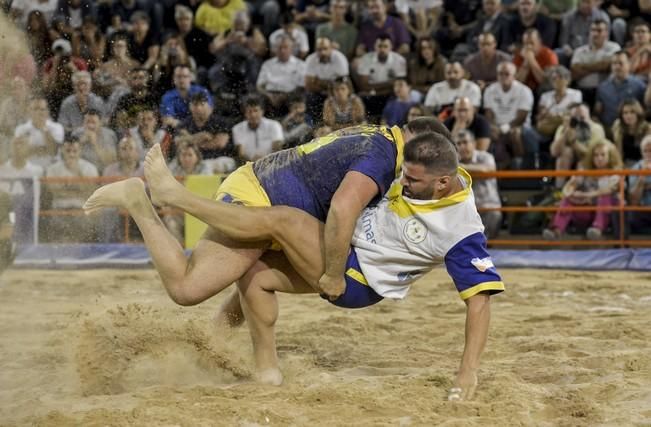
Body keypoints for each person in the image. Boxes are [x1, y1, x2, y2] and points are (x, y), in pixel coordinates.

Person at [85, 120, 503, 401]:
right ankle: (266, 371)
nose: (404, 184)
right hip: (333, 244)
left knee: (277, 225)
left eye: (413, 181)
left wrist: (468, 371)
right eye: (404, 175)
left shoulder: (462, 226)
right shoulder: (404, 161)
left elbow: (480, 301)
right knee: (247, 275)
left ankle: (172, 197)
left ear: (443, 181)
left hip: (354, 275)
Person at [543, 140, 623, 240]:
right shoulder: (585, 172)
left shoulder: (615, 174)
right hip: (587, 211)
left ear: (610, 156)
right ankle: (556, 230)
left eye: (603, 155)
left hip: (607, 214)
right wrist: (571, 192)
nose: (599, 158)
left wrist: (585, 196)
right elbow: (568, 188)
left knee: (604, 198)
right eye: (596, 155)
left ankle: (597, 228)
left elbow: (607, 191)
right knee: (567, 200)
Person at [456, 130, 502, 238]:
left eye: (465, 142)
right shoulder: (454, 160)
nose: (462, 146)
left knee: (494, 215)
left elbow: (487, 170)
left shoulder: (485, 157)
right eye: (459, 144)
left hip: (488, 207)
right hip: (464, 209)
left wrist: (460, 168)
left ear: (474, 143)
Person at [628, 135, 651, 233]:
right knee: (631, 215)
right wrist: (642, 177)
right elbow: (634, 200)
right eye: (645, 151)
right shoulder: (635, 169)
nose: (648, 154)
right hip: (643, 210)